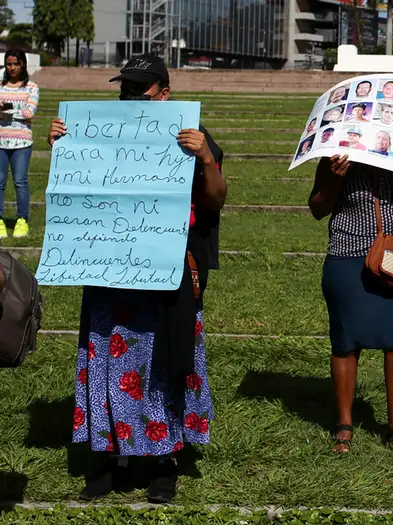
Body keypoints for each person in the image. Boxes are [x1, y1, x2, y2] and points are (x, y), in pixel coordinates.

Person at [48, 54, 227, 504]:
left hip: (166, 276)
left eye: (140, 91)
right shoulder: (103, 130)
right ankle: (111, 458)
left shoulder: (195, 139)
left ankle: (164, 461)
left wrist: (205, 156)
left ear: (165, 94)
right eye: (124, 90)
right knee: (107, 360)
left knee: (165, 361)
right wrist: (66, 148)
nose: (129, 99)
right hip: (111, 276)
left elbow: (215, 201)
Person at [308, 143, 393, 457]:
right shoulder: (335, 152)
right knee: (345, 341)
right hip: (347, 256)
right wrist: (337, 177)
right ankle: (344, 425)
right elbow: (317, 207)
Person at [0, 49, 38, 239]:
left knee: (20, 182)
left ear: (23, 64)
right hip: (0, 141)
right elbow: (22, 110)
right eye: (9, 64)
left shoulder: (31, 87)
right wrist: (17, 108)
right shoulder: (0, 85)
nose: (12, 68)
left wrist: (6, 108)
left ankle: (22, 220)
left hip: (22, 142)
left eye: (16, 64)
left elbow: (29, 112)